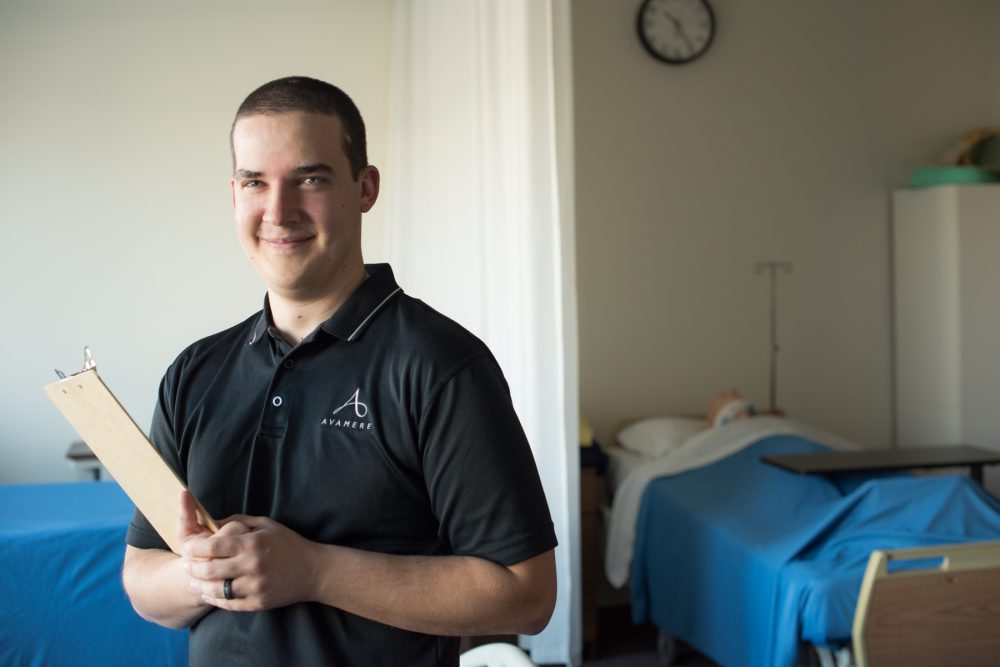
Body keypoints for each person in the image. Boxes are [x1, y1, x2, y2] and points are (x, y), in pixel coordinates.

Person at [121, 76, 557, 666]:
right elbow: (143, 577)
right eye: (256, 182)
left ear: (365, 187)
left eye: (310, 178)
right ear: (234, 196)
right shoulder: (193, 374)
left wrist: (314, 571)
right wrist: (205, 575)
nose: (278, 211)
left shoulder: (442, 366)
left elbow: (526, 596)